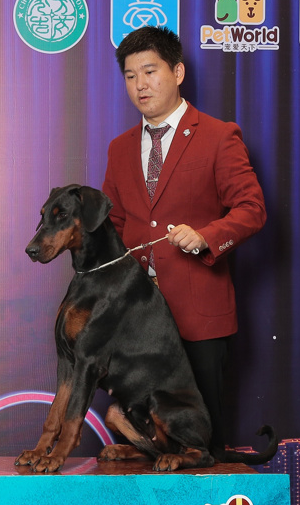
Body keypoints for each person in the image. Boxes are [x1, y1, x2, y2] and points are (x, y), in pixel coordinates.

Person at [102, 26, 266, 449]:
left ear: (177, 72)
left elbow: (251, 208)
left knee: (201, 441)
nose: (140, 84)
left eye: (150, 71)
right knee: (145, 437)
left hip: (198, 315)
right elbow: (114, 225)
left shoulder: (218, 135)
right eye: (130, 75)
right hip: (137, 321)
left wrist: (207, 236)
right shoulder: (119, 148)